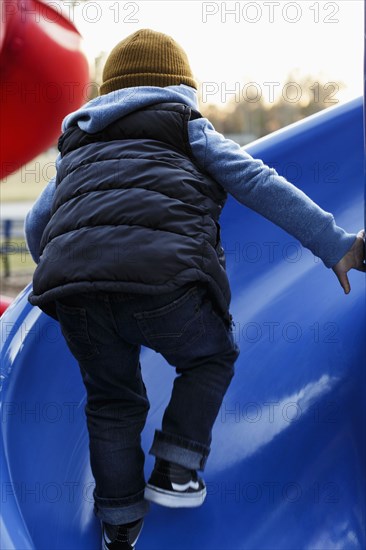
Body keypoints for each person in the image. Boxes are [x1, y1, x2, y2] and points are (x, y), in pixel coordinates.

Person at [25, 29, 365, 550]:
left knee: (111, 401)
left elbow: (35, 225)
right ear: (180, 87)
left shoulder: (78, 146)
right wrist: (333, 243)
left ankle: (119, 524)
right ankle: (177, 468)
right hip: (166, 284)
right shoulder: (187, 126)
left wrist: (70, 271)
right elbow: (258, 183)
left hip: (77, 293)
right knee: (210, 356)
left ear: (108, 94)